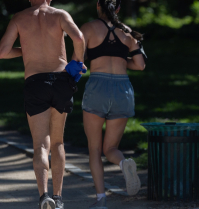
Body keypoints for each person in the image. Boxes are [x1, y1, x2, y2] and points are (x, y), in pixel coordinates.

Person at [0, 0, 85, 209]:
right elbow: (79, 38)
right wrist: (77, 64)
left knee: (40, 145)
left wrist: (26, 49)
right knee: (58, 143)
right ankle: (59, 198)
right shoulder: (60, 15)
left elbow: (2, 52)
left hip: (35, 83)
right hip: (62, 80)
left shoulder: (19, 18)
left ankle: (44, 196)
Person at [79, 0, 146, 208]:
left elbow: (78, 62)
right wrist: (119, 59)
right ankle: (124, 163)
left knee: (94, 149)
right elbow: (141, 65)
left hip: (98, 86)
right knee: (111, 148)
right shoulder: (127, 32)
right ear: (118, 9)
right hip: (122, 89)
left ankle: (101, 201)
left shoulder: (88, 28)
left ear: (98, 6)